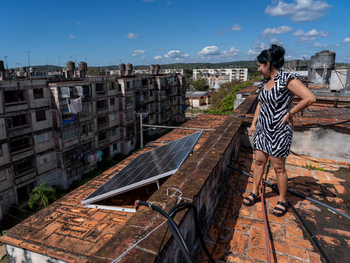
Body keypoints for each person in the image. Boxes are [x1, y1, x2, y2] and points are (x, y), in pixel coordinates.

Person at [244, 44, 316, 217]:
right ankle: (254, 191)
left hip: (279, 131)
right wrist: (254, 124)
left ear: (268, 64)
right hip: (262, 129)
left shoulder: (287, 79)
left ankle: (282, 200)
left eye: (260, 66)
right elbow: (260, 103)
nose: (258, 69)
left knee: (278, 167)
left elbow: (310, 98)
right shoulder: (264, 81)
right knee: (259, 161)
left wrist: (290, 113)